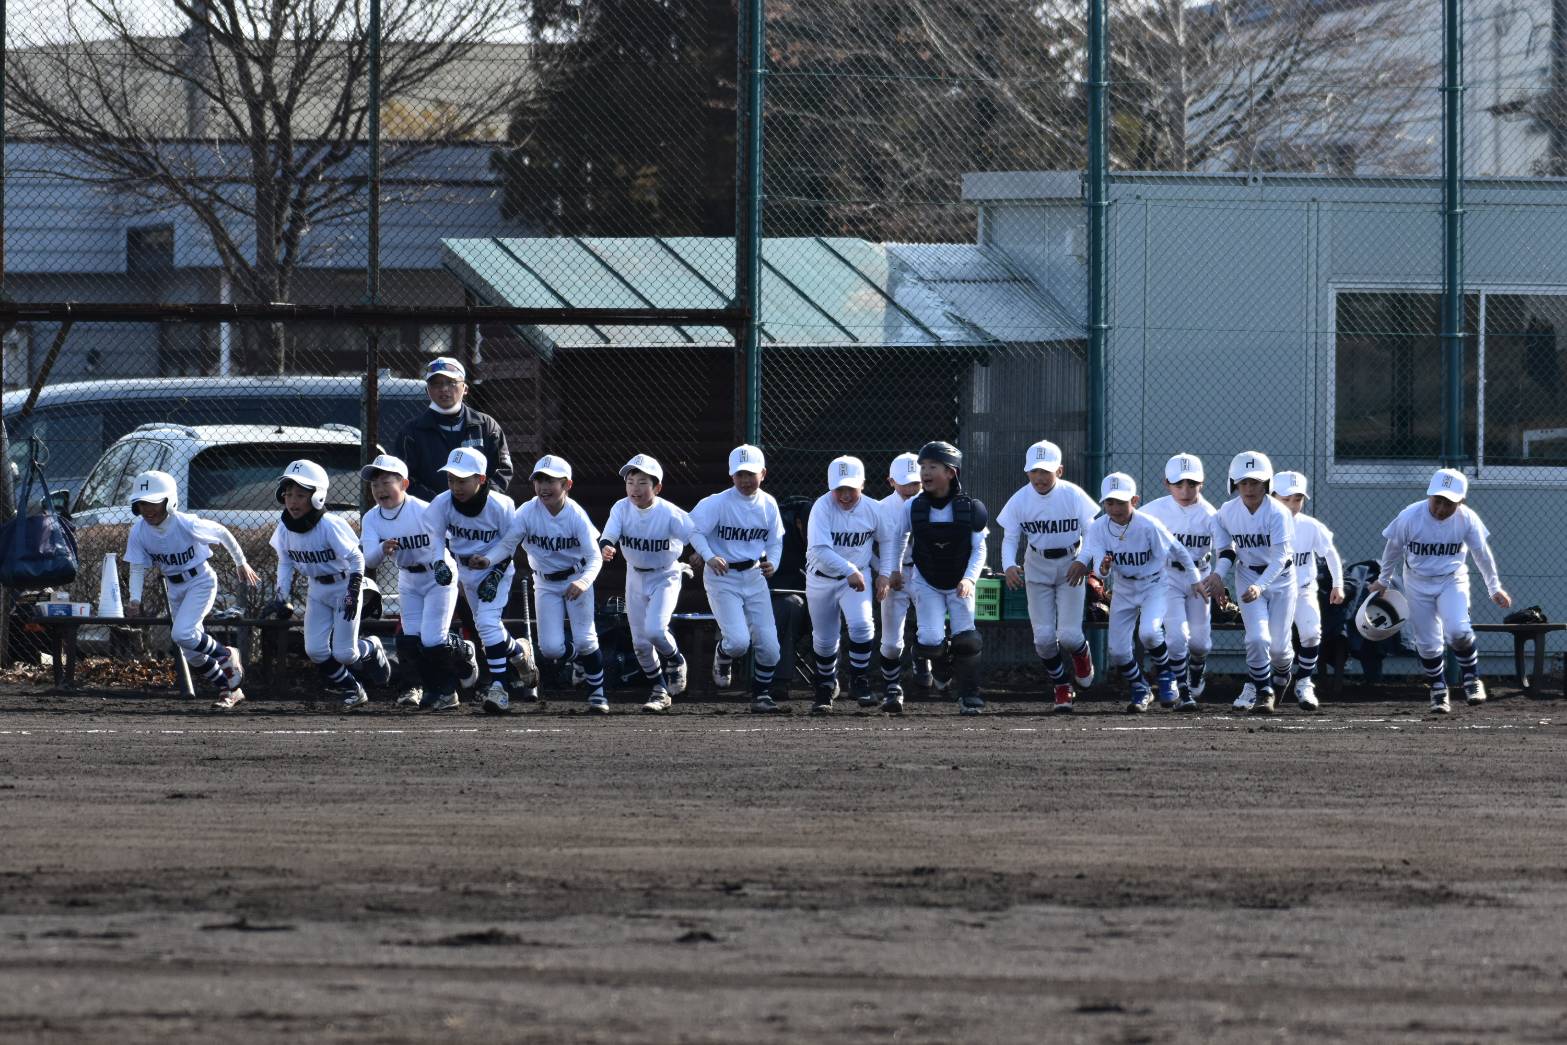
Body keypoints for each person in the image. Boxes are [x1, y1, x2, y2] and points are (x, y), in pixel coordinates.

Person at [1370, 467, 1512, 714]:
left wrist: (1494, 587)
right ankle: (1438, 688)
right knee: (1426, 643)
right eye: (1437, 500)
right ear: (1429, 495)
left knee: (1458, 631)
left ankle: (1471, 678)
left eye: (1449, 503)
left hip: (1451, 579)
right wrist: (1383, 580)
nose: (1441, 508)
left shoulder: (1467, 519)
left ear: (1461, 501)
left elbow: (1482, 555)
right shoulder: (1410, 516)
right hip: (1416, 581)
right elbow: (1392, 548)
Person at [123, 469, 258, 710]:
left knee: (182, 634)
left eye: (154, 503)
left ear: (169, 501)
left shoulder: (185, 523)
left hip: (200, 581)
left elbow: (221, 532)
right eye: (142, 504)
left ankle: (226, 654)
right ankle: (231, 690)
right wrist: (134, 599)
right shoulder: (139, 531)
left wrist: (241, 561)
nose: (148, 509)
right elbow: (136, 567)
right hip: (175, 587)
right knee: (192, 653)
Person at [1068, 473, 1204, 713]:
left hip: (1154, 584)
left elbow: (1178, 550)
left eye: (1121, 502)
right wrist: (1103, 567)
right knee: (1118, 651)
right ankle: (1140, 687)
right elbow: (1100, 564)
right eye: (1109, 502)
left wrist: (1194, 578)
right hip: (1124, 587)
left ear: (1135, 500)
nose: (1115, 508)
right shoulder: (1099, 527)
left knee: (1150, 633)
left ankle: (1166, 675)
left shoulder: (1148, 525)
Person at [266, 459, 392, 709]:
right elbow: (285, 562)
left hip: (345, 585)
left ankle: (373, 646)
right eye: (288, 494)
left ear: (317, 497)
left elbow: (357, 558)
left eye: (301, 495)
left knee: (346, 654)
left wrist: (353, 592)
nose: (292, 501)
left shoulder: (329, 525)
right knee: (316, 651)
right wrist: (281, 596)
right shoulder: (285, 527)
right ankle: (353, 690)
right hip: (318, 590)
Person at [487, 455, 607, 713]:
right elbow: (508, 545)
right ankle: (580, 660)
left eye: (551, 480)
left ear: (567, 485)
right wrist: (486, 560)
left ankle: (597, 693)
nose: (543, 486)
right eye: (539, 479)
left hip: (577, 578)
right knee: (551, 649)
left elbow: (595, 556)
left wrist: (584, 582)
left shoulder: (575, 515)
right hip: (544, 582)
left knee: (586, 639)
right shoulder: (528, 512)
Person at [419, 447, 536, 713]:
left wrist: (493, 570)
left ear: (480, 479)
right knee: (487, 629)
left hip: (496, 569)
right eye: (451, 479)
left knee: (485, 623)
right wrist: (439, 561)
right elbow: (435, 537)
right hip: (465, 571)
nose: (455, 486)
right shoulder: (442, 502)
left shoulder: (501, 505)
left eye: (462, 480)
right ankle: (519, 653)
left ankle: (500, 688)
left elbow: (510, 544)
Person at [878, 441, 990, 715]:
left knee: (967, 640)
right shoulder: (914, 507)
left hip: (959, 582)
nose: (924, 473)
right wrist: (893, 569)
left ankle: (969, 695)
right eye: (922, 467)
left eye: (932, 467)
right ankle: (935, 662)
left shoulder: (969, 508)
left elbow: (979, 548)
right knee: (930, 641)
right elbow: (897, 537)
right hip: (926, 580)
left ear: (951, 473)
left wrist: (970, 579)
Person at [358, 453, 477, 711]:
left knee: (433, 640)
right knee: (410, 639)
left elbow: (454, 537)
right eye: (374, 484)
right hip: (409, 578)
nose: (379, 489)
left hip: (438, 575)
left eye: (386, 482)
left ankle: (458, 663)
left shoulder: (424, 510)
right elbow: (370, 558)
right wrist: (381, 548)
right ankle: (422, 689)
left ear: (404, 484)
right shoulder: (371, 518)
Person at [996, 439, 1100, 712]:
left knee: (1068, 635)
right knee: (1042, 639)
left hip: (1070, 563)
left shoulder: (1073, 495)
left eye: (1046, 471)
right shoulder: (1021, 498)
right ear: (1027, 472)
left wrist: (1083, 560)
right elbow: (1010, 537)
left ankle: (1082, 653)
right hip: (1037, 564)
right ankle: (1062, 686)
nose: (1040, 478)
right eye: (1034, 472)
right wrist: (1008, 565)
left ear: (1060, 471)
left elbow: (1092, 532)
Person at [688, 444, 785, 714]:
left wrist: (773, 563)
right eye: (739, 474)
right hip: (722, 576)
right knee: (739, 642)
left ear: (763, 473)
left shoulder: (768, 504)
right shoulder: (718, 502)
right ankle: (724, 653)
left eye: (750, 474)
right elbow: (693, 530)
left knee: (770, 647)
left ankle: (761, 694)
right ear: (731, 475)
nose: (745, 480)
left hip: (754, 575)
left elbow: (775, 541)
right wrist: (708, 555)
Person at [599, 453, 695, 714]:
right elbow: (609, 534)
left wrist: (701, 554)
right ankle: (660, 690)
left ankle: (675, 660)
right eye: (630, 481)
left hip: (665, 574)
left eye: (642, 482)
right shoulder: (621, 507)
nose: (634, 488)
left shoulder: (670, 513)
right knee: (640, 644)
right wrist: (606, 546)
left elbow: (695, 534)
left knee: (655, 630)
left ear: (657, 487)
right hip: (635, 575)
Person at [1205, 451, 1296, 714]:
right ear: (1233, 483)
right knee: (1257, 638)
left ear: (1266, 483)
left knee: (1279, 649)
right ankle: (1265, 691)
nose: (1249, 488)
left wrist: (1261, 585)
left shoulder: (1278, 512)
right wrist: (1218, 575)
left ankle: (1282, 675)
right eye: (1243, 482)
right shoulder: (1225, 513)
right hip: (1247, 575)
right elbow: (1227, 552)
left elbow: (1279, 559)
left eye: (1255, 482)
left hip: (1280, 579)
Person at [803, 455, 885, 714]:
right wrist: (849, 569)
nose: (845, 494)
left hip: (857, 576)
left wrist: (883, 571)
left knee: (862, 626)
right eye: (840, 489)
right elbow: (820, 549)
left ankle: (859, 680)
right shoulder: (822, 507)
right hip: (821, 578)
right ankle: (825, 687)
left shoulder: (873, 508)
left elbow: (890, 540)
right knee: (825, 640)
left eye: (851, 488)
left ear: (862, 484)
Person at [1140, 453, 1220, 702]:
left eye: (1192, 484)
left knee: (1200, 644)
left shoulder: (1211, 514)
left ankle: (1197, 670)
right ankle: (1180, 686)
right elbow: (1127, 526)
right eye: (1178, 484)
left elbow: (1227, 548)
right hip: (1169, 576)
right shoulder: (1154, 510)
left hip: (1202, 576)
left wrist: (1219, 577)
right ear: (1167, 483)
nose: (1185, 490)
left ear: (1202, 484)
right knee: (1176, 638)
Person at [1272, 471, 1344, 711]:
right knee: (1274, 647)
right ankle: (1272, 680)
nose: (1293, 505)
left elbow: (1330, 553)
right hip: (1273, 592)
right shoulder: (1262, 524)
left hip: (1303, 589)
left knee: (1312, 633)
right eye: (1286, 499)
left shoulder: (1310, 526)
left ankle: (1304, 681)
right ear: (1272, 497)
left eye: (1298, 499)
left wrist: (1337, 584)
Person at [395, 356, 514, 502]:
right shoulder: (411, 432)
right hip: (429, 514)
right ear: (427, 390)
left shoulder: (486, 426)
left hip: (480, 513)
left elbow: (503, 469)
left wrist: (480, 498)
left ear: (465, 388)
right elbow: (403, 476)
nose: (444, 389)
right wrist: (439, 504)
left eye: (451, 383)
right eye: (436, 384)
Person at [874, 452, 924, 708]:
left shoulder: (929, 503)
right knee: (892, 643)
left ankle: (921, 659)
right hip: (895, 576)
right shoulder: (880, 509)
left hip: (925, 572)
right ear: (891, 481)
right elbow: (866, 548)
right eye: (904, 482)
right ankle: (892, 688)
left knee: (931, 633)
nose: (910, 488)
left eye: (916, 482)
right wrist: (883, 571)